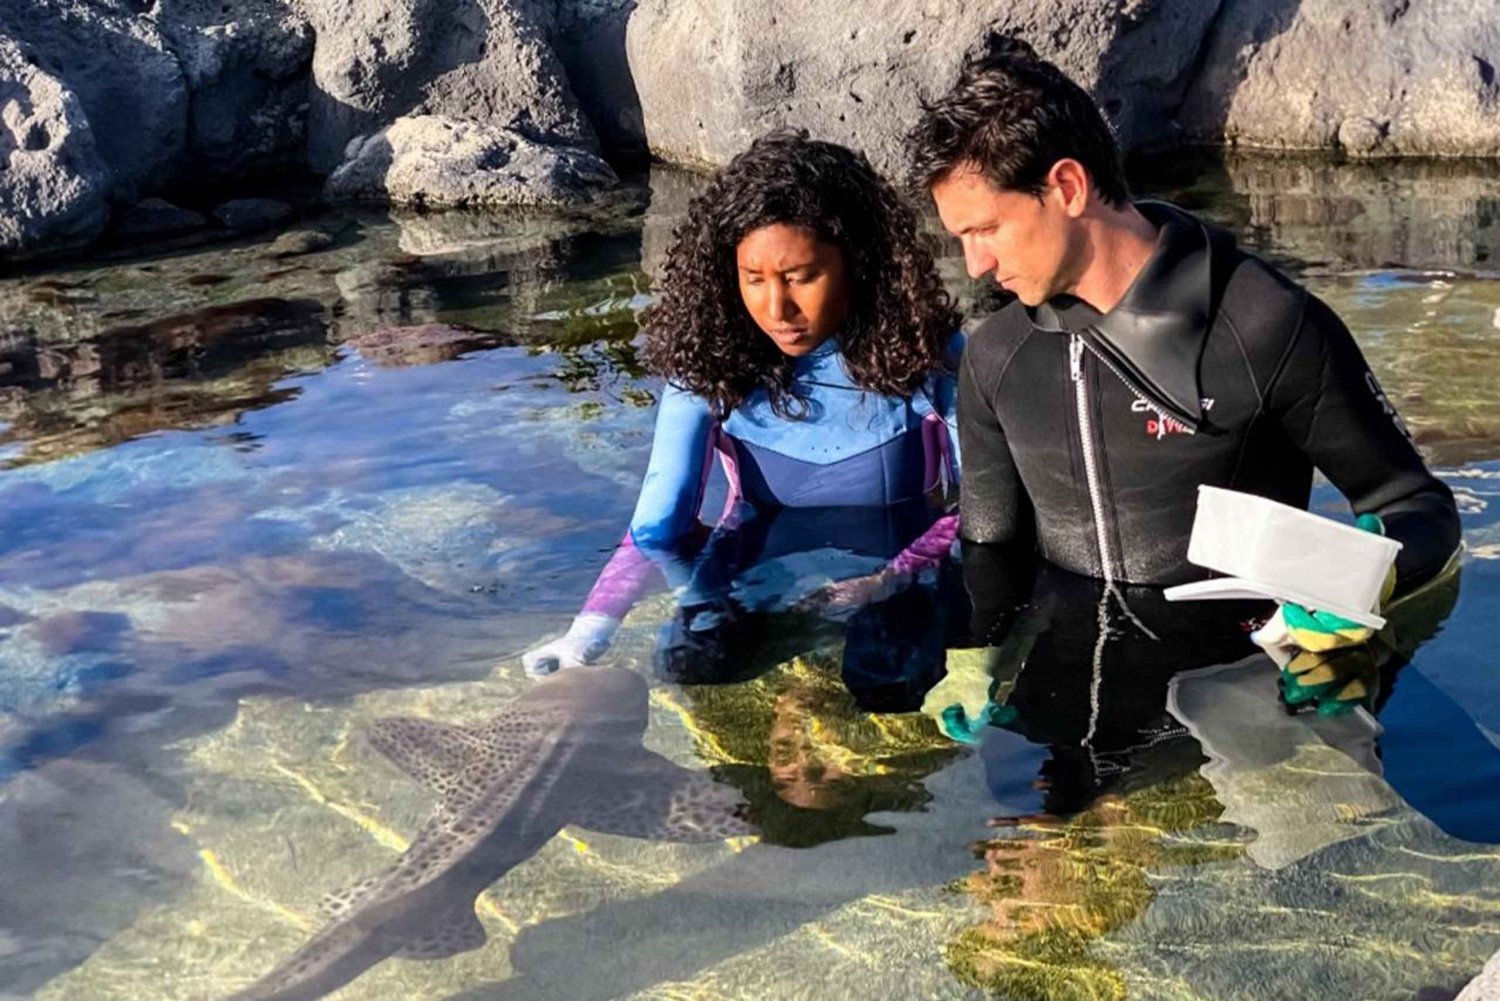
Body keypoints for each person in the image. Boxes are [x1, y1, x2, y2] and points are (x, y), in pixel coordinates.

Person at [905, 38, 1461, 714]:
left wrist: (1374, 579)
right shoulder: (997, 355)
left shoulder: (1265, 326)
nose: (975, 266)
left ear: (1068, 188)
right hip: (1060, 706)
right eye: (960, 237)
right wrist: (974, 657)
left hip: (1249, 700)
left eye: (986, 228)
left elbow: (1416, 506)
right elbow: (990, 549)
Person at [523, 130, 964, 692]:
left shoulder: (929, 353)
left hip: (895, 569)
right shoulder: (709, 366)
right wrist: (590, 630)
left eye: (801, 278)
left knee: (886, 683)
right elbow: (657, 526)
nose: (777, 309)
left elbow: (981, 505)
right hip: (754, 574)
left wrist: (894, 577)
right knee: (689, 668)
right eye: (755, 280)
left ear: (859, 262)